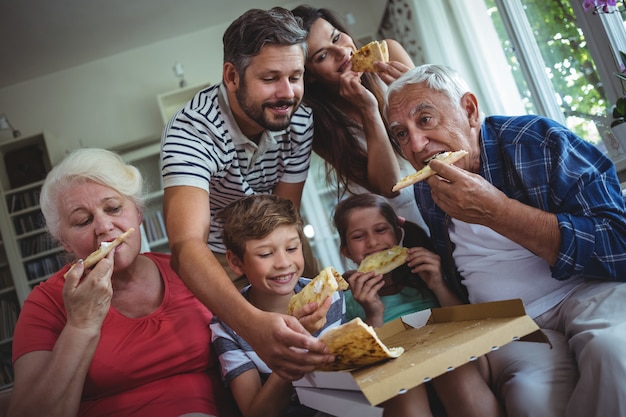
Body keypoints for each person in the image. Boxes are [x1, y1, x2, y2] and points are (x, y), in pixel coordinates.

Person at [384, 63, 626, 417]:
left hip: (587, 290)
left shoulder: (537, 140)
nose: (417, 146)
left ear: (469, 110)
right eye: (401, 134)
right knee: (529, 397)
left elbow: (619, 243)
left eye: (425, 120)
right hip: (507, 322)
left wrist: (498, 211)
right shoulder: (426, 188)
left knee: (613, 352)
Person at [160, 7, 333, 382]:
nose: (287, 93)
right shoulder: (191, 132)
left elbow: (286, 213)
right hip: (220, 263)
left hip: (278, 245)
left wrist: (285, 269)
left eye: (296, 77)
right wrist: (253, 325)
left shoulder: (297, 117)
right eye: (270, 78)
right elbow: (186, 245)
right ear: (231, 75)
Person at [8, 148, 236, 417]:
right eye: (83, 220)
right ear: (64, 242)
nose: (104, 226)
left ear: (138, 212)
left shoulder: (188, 270)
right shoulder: (45, 303)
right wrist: (81, 325)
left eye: (114, 208)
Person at [333, 193, 504, 417]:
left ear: (398, 234)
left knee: (448, 366)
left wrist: (438, 285)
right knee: (402, 384)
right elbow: (364, 365)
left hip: (456, 361)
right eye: (358, 236)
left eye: (381, 230)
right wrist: (373, 313)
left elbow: (467, 327)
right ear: (346, 251)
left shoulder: (423, 276)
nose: (373, 242)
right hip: (395, 376)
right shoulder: (347, 299)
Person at [290, 6, 428, 232]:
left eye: (336, 37)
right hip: (407, 224)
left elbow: (439, 126)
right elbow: (390, 187)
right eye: (322, 55)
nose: (341, 52)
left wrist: (414, 93)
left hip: (445, 188)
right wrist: (369, 110)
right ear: (310, 76)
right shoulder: (319, 126)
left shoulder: (389, 53)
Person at [211, 194, 344, 417]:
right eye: (265, 254)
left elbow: (344, 381)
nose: (283, 263)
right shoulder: (227, 328)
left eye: (292, 248)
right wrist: (299, 341)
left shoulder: (329, 297)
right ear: (236, 262)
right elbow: (257, 413)